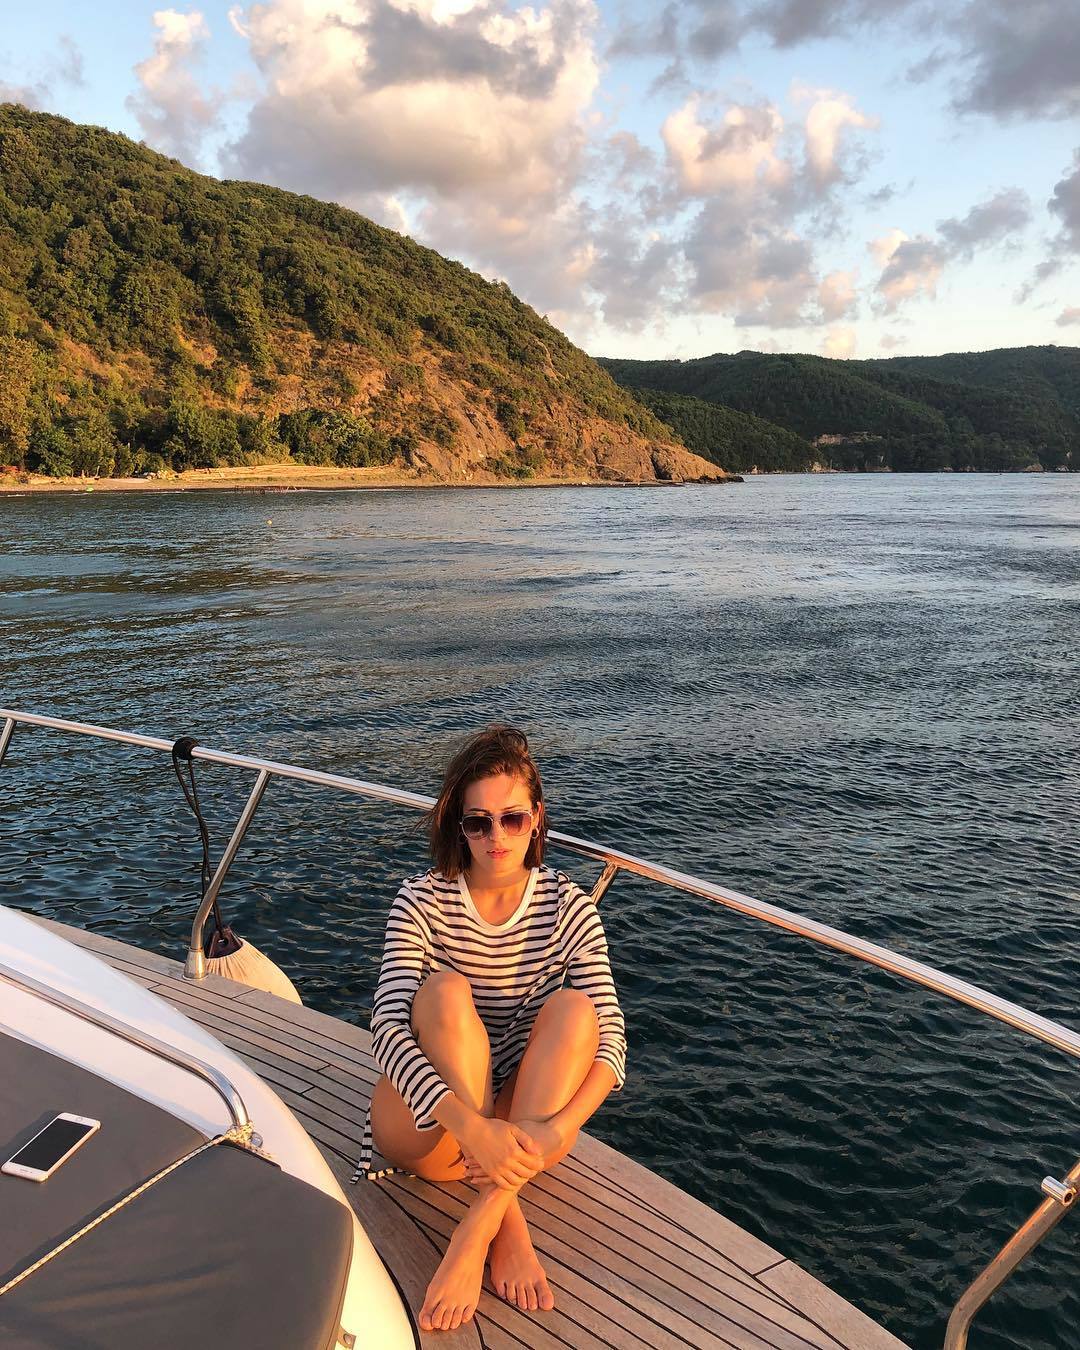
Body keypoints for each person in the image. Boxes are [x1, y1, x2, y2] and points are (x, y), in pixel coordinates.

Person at [353, 725, 627, 1333]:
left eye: (511, 818)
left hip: (520, 1133)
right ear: (459, 827)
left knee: (576, 1010)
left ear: (536, 820)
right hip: (433, 1129)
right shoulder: (421, 901)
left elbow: (610, 1040)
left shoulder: (570, 908)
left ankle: (480, 1224)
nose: (496, 836)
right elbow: (387, 1027)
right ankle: (511, 1221)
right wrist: (476, 1129)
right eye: (478, 822)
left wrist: (556, 1128)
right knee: (444, 992)